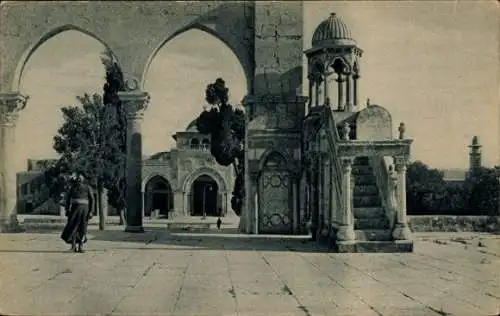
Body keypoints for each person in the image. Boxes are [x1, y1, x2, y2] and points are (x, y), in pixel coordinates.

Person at [61, 173, 94, 253]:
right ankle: (73, 247)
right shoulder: (72, 188)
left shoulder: (87, 187)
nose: (79, 180)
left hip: (84, 211)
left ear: (83, 180)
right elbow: (68, 199)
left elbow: (92, 200)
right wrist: (67, 210)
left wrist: (91, 211)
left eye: (80, 179)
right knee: (73, 228)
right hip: (74, 210)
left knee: (83, 228)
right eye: (78, 179)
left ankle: (81, 247)